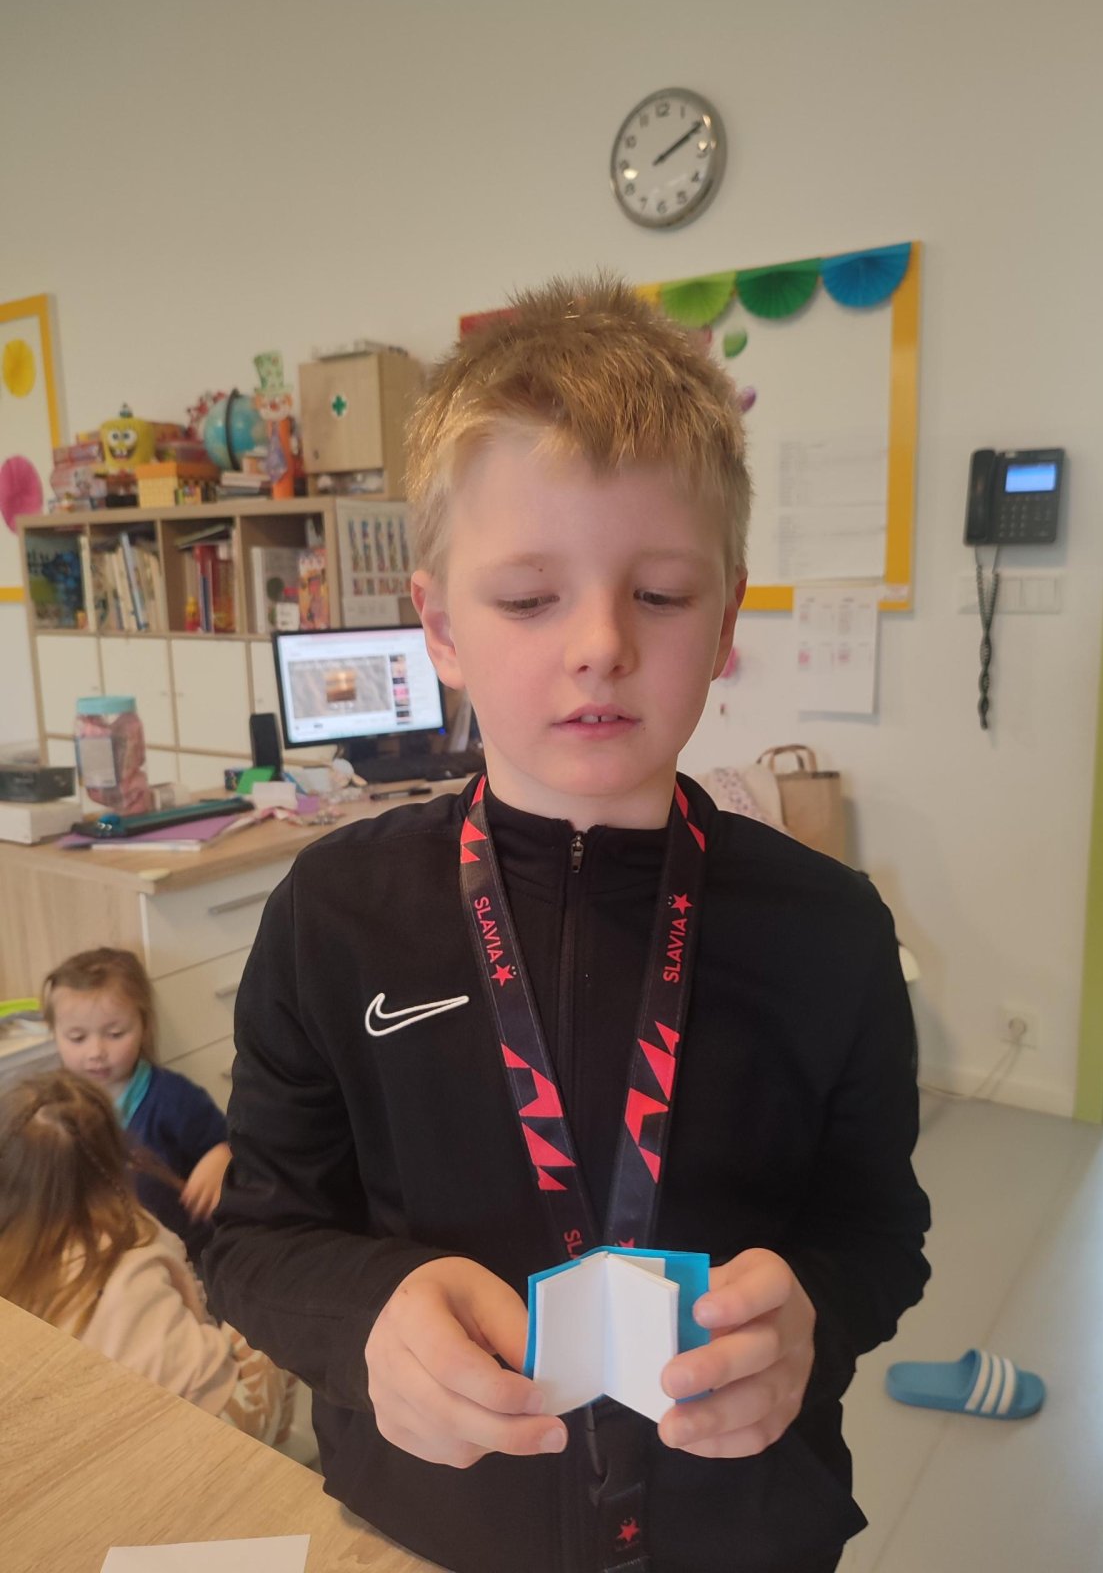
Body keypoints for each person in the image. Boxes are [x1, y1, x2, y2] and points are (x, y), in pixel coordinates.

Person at [205, 275, 931, 1573]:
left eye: (660, 594)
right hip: (428, 1529)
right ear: (441, 626)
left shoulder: (832, 932)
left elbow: (881, 1233)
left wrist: (815, 1317)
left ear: (725, 619)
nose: (599, 644)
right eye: (530, 599)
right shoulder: (333, 917)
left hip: (742, 1531)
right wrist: (366, 1318)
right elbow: (256, 1240)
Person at [0, 1070, 294, 1445]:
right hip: (205, 1429)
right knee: (275, 1301)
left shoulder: (13, 1256)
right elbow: (195, 1306)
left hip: (103, 1431)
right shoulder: (134, 1238)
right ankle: (278, 1446)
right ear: (114, 1156)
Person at [45, 946, 231, 1264]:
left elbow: (227, 1142)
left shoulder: (174, 1098)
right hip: (105, 1255)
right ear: (54, 1034)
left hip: (185, 1252)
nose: (96, 1051)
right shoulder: (53, 1104)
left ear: (144, 1026)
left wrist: (219, 1157)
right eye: (77, 1038)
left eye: (115, 1033)